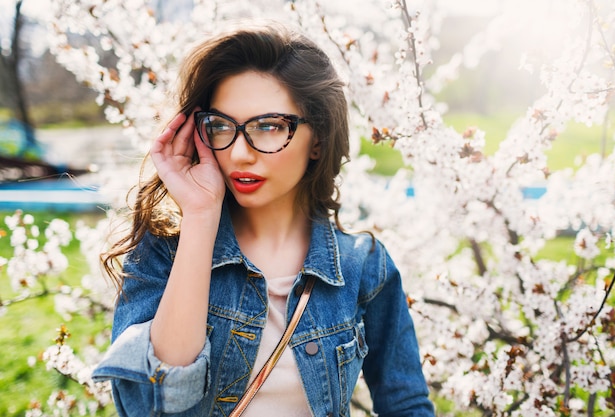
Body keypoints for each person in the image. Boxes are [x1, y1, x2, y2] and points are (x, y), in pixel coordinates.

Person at [92, 20, 435, 417]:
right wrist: (202, 215)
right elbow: (148, 407)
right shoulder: (164, 254)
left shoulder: (364, 268)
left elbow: (406, 404)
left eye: (269, 126)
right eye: (221, 126)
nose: (239, 154)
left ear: (318, 141)